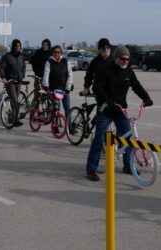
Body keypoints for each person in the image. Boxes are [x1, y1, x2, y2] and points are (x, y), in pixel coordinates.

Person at [86, 46, 153, 181]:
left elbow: (136, 86)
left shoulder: (128, 71)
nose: (125, 61)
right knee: (99, 138)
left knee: (127, 137)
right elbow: (97, 88)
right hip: (105, 108)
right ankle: (91, 169)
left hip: (120, 109)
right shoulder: (105, 70)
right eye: (122, 58)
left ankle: (128, 165)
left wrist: (146, 98)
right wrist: (108, 101)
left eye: (128, 59)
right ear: (116, 58)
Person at [0, 39, 26, 127]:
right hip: (10, 81)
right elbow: (2, 67)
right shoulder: (8, 56)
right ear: (13, 46)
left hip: (18, 81)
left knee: (15, 101)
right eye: (16, 46)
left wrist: (22, 76)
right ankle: (16, 120)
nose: (18, 47)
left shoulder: (21, 56)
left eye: (19, 46)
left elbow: (23, 67)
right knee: (14, 100)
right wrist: (3, 77)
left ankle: (11, 118)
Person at [42, 45, 73, 122]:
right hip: (54, 89)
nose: (57, 54)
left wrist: (68, 88)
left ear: (61, 53)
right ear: (52, 53)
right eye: (55, 52)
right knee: (56, 108)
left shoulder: (66, 62)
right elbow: (46, 74)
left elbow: (70, 75)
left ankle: (69, 127)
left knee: (67, 107)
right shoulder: (49, 62)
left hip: (64, 89)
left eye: (58, 52)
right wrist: (45, 85)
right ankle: (55, 126)